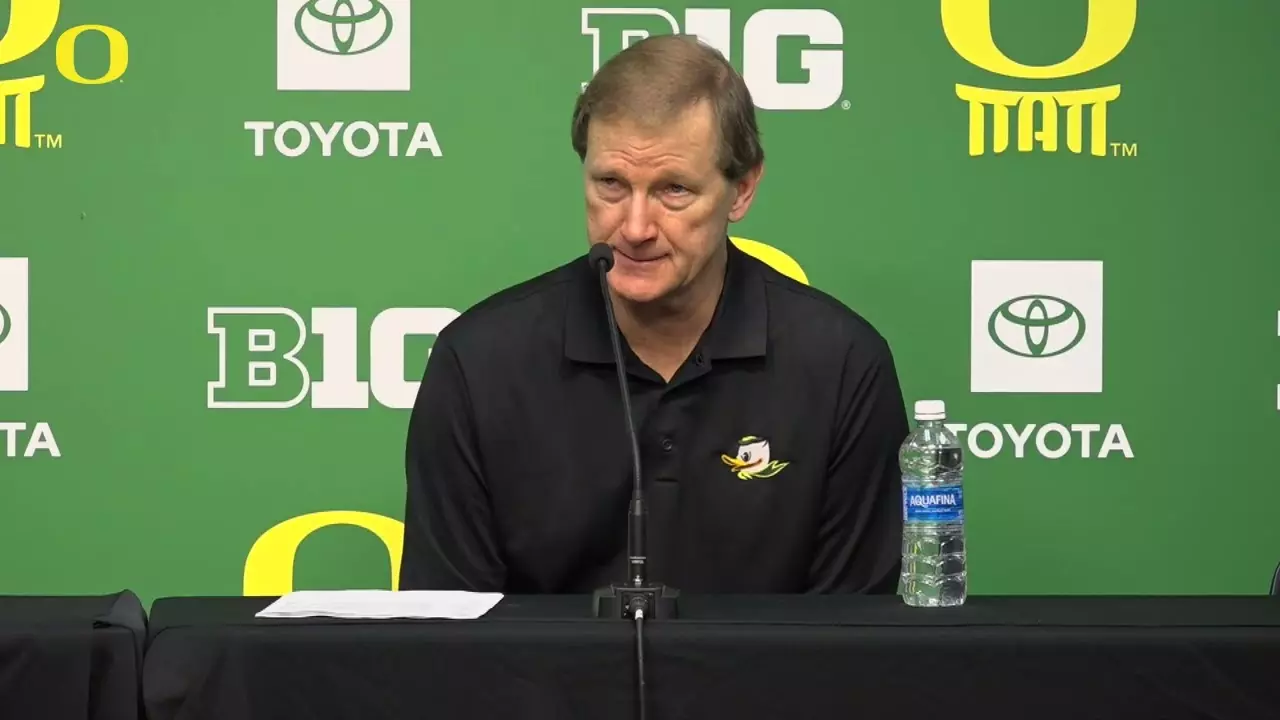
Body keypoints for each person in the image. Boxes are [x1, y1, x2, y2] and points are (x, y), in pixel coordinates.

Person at [399, 34, 909, 595]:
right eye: (611, 184)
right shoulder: (478, 365)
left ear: (742, 190)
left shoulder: (842, 366)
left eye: (674, 190)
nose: (635, 228)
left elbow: (855, 632)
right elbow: (446, 630)